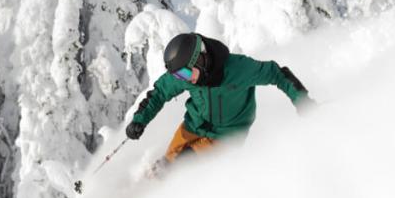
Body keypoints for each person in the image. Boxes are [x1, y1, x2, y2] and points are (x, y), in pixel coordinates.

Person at [124, 32, 312, 163]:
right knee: (169, 161)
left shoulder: (239, 69)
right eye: (180, 77)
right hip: (193, 126)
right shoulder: (187, 75)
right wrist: (140, 120)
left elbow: (276, 73)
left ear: (200, 59)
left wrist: (301, 100)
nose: (184, 80)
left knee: (183, 166)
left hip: (227, 135)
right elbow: (159, 93)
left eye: (185, 74)